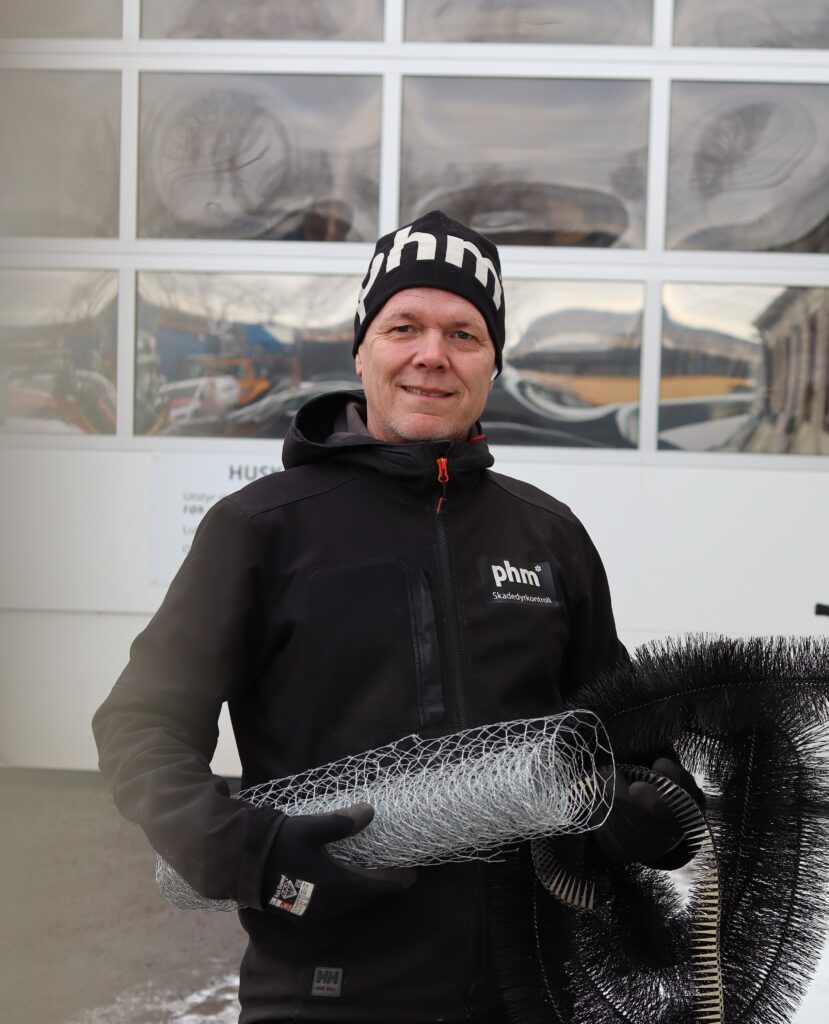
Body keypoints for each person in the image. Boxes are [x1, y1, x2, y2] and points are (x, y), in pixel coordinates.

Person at [93, 210, 698, 1024]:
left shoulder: (548, 536)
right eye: (403, 326)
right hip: (325, 991)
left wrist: (657, 808)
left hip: (528, 991)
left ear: (492, 364)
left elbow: (627, 734)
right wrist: (255, 853)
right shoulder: (262, 530)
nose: (431, 355)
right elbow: (141, 725)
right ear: (361, 349)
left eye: (463, 334)